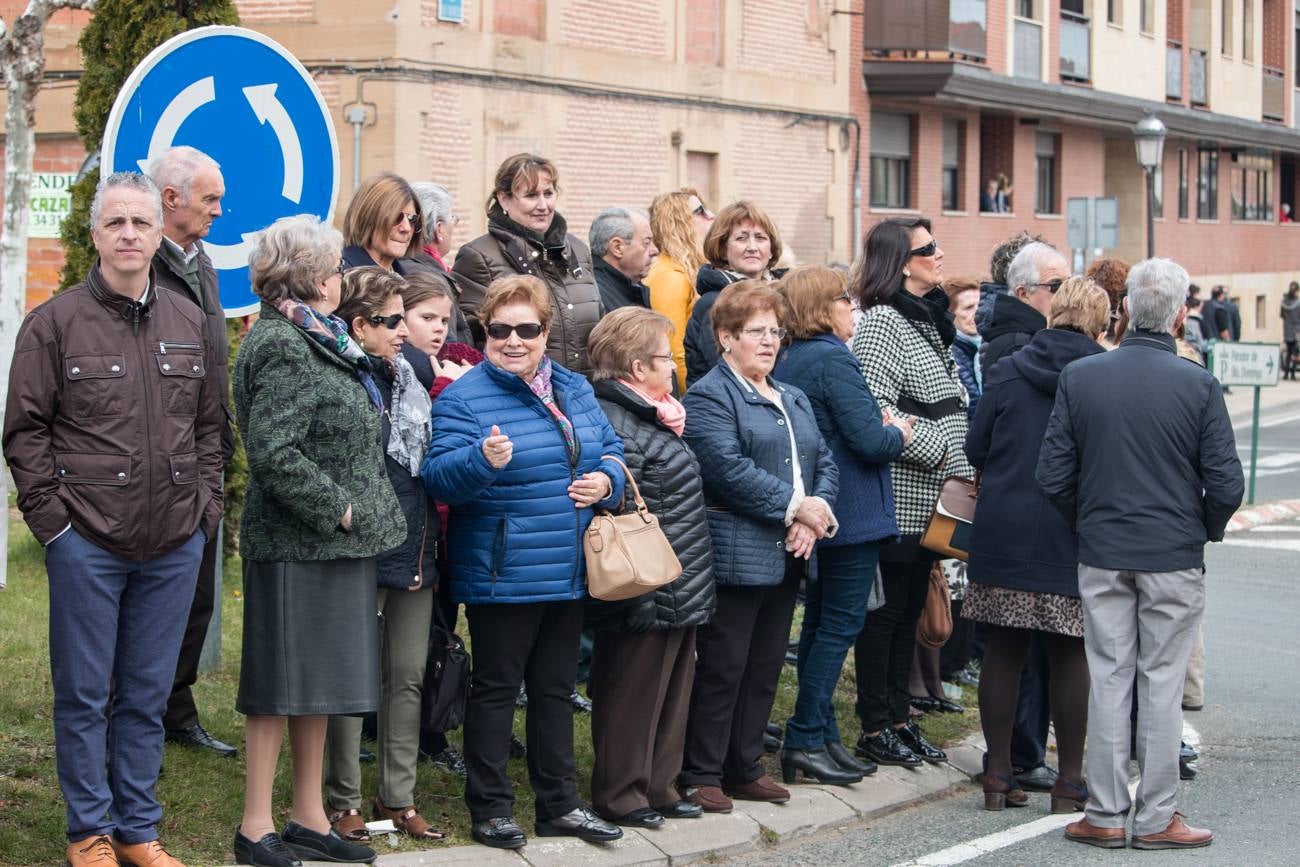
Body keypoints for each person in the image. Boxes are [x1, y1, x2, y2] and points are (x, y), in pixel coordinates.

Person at [3, 172, 223, 867]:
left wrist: (203, 514)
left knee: (148, 691)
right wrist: (56, 529)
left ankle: (137, 829)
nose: (129, 234)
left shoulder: (190, 321)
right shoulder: (54, 324)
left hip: (173, 542)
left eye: (141, 222)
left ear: (160, 234)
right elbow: (25, 431)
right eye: (115, 222)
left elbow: (211, 426)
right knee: (85, 692)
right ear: (95, 235)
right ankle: (87, 832)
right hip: (87, 542)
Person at [1037, 258, 1244, 850]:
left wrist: (1087, 522)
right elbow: (1225, 483)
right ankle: (1155, 817)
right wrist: (1198, 529)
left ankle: (1104, 812)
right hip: (1172, 553)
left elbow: (1052, 475)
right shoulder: (1198, 384)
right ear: (1181, 315)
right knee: (1161, 681)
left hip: (1102, 548)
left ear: (1124, 309)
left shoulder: (1083, 377)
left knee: (1109, 677)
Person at [420, 275, 626, 849]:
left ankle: (559, 805)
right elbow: (439, 478)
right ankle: (490, 809)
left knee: (555, 690)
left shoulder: (574, 387)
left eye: (528, 329)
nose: (514, 340)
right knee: (495, 689)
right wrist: (481, 460)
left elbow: (611, 448)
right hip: (501, 572)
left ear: (546, 331)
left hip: (567, 566)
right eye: (501, 329)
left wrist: (605, 481)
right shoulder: (464, 398)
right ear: (485, 331)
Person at [231, 215, 405, 867]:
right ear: (309, 278)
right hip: (294, 543)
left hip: (332, 546)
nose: (340, 278)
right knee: (279, 687)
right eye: (334, 268)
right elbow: (273, 451)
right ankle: (253, 827)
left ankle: (307, 816)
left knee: (320, 686)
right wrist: (343, 510)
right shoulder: (281, 341)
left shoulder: (320, 336)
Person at [679, 281, 839, 811]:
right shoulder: (709, 395)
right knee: (724, 665)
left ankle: (744, 767)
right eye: (755, 332)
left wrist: (812, 518)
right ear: (726, 337)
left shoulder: (791, 395)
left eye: (775, 332)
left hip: (791, 550)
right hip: (735, 552)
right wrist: (796, 508)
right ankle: (701, 771)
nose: (769, 342)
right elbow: (725, 469)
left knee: (766, 663)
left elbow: (824, 463)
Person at [965, 277, 1110, 814]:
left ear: (1052, 314)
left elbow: (974, 446)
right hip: (1069, 530)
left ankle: (998, 774)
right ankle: (1069, 781)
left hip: (1003, 526)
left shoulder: (1007, 369)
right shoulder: (1101, 376)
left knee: (1003, 652)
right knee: (1070, 654)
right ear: (1101, 322)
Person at [321, 268, 446, 844]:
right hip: (362, 543)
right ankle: (342, 800)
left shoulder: (411, 374)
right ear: (359, 325)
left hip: (416, 544)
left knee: (408, 674)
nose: (404, 330)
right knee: (352, 676)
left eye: (404, 319)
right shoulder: (343, 375)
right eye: (391, 321)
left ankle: (398, 795)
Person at [772, 267, 912, 785]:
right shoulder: (833, 357)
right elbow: (869, 442)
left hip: (823, 508)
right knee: (840, 625)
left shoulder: (793, 356)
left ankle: (823, 733)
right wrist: (897, 431)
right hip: (848, 512)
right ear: (823, 307)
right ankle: (807, 734)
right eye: (844, 299)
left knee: (819, 623)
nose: (853, 307)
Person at [584, 307, 717, 827]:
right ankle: (621, 793)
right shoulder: (616, 418)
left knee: (671, 692)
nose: (675, 366)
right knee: (631, 694)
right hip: (643, 579)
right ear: (637, 368)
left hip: (678, 578)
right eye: (666, 357)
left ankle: (659, 786)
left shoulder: (657, 413)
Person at [850, 217, 969, 769]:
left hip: (937, 501)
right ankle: (876, 724)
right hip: (903, 494)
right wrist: (939, 452)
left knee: (908, 615)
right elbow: (876, 409)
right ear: (900, 261)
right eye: (929, 249)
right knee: (888, 615)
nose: (939, 255)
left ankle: (900, 717)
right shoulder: (881, 323)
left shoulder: (925, 321)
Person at [146, 146, 239, 761]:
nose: (219, 211)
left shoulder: (200, 261)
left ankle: (176, 709)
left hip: (203, 452)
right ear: (171, 199)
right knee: (149, 599)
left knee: (198, 594)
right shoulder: (140, 261)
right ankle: (136, 714)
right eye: (210, 199)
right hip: (155, 454)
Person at [452, 153, 600, 376]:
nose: (543, 205)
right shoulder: (478, 257)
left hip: (584, 395)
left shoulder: (578, 250)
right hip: (519, 397)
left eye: (548, 194)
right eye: (531, 195)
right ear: (504, 199)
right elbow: (471, 341)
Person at [683, 200, 784, 387]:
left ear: (771, 249)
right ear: (722, 249)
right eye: (741, 238)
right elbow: (730, 371)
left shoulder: (782, 295)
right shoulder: (714, 303)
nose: (752, 247)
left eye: (760, 238)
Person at [646, 188, 713, 392]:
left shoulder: (684, 271)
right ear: (678, 223)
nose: (711, 215)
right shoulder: (671, 277)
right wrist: (694, 400)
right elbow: (675, 352)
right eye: (700, 211)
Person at [980, 242, 1068, 379]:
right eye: (1056, 286)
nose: (1067, 295)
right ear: (1023, 293)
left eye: (1069, 285)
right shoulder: (1015, 347)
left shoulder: (1042, 335)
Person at [407, 180, 473, 344]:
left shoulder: (401, 264)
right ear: (439, 229)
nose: (454, 226)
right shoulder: (432, 278)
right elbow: (445, 345)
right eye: (453, 219)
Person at [342, 172, 423, 273]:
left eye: (412, 219)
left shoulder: (409, 280)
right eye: (396, 217)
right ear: (368, 217)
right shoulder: (339, 278)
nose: (406, 228)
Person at [589, 206, 658, 311]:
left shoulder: (632, 288)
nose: (655, 251)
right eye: (647, 242)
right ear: (617, 248)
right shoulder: (594, 297)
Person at [944, 277, 983, 417]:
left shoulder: (983, 345)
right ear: (950, 314)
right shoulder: (950, 353)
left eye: (980, 305)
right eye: (968, 308)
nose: (977, 312)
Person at [1281, 282, 1300, 380]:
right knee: (1295, 352)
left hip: (1287, 329)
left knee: (1288, 352)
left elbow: (1281, 315)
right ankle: (1292, 373)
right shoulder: (1298, 303)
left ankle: (1286, 373)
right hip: (1297, 330)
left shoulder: (1284, 302)